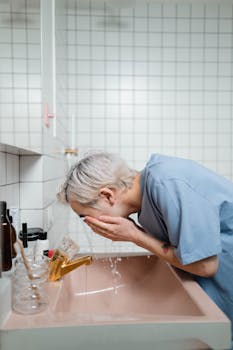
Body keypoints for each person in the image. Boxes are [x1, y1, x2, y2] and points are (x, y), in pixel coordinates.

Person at [57, 151, 233, 348]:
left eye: (85, 216)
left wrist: (135, 235)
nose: (89, 224)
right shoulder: (148, 200)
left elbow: (205, 266)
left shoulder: (166, 183)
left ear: (107, 195)